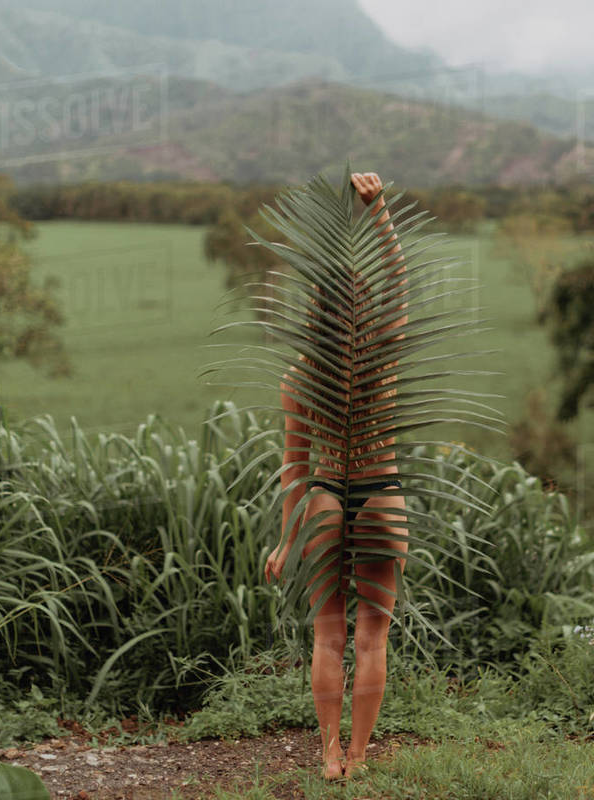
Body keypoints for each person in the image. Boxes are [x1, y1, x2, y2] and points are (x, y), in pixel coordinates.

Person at [263, 171, 409, 780]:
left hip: (324, 499)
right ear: (362, 305)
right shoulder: (381, 348)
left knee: (327, 638)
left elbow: (294, 468)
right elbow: (401, 282)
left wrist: (286, 539)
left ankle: (326, 754)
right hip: (380, 494)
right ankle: (358, 756)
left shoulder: (301, 376)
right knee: (372, 641)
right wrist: (378, 214)